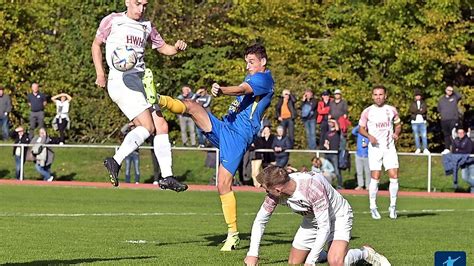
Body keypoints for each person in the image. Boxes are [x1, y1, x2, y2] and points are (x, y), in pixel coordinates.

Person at [156, 44, 274, 251]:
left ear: (263, 62)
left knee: (223, 185)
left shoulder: (264, 79)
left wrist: (222, 90)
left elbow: (241, 89)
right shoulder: (253, 76)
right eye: (246, 62)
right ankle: (156, 99)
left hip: (237, 138)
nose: (248, 66)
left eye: (252, 62)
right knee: (192, 106)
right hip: (225, 127)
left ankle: (233, 234)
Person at [91, 0, 188, 192]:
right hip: (121, 80)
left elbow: (164, 48)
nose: (141, 9)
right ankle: (115, 160)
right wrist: (100, 74)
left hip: (142, 81)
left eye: (144, 5)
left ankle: (167, 177)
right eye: (137, 4)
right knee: (147, 126)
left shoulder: (147, 26)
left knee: (161, 126)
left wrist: (176, 48)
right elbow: (96, 45)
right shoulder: (113, 20)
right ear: (127, 2)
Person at [244, 166, 391, 266]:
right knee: (294, 262)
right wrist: (253, 254)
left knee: (335, 262)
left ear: (277, 189)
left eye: (265, 188)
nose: (264, 191)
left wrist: (311, 261)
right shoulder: (275, 193)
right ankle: (328, 252)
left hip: (337, 216)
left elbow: (324, 226)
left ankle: (365, 253)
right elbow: (260, 221)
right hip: (312, 220)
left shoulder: (311, 188)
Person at [358, 85, 401, 220]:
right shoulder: (367, 111)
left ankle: (393, 206)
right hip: (375, 148)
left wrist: (396, 133)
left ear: (385, 96)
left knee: (394, 175)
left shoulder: (391, 110)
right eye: (376, 94)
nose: (378, 97)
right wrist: (369, 136)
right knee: (375, 177)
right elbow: (361, 129)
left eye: (380, 94)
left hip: (389, 148)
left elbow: (398, 124)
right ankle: (373, 207)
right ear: (372, 96)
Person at [437, 86, 461, 154]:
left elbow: (459, 96)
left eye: (451, 90)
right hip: (444, 120)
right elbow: (439, 109)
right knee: (446, 134)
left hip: (453, 119)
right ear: (445, 90)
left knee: (453, 134)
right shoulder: (441, 99)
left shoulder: (454, 97)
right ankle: (447, 148)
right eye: (448, 90)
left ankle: (456, 148)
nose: (450, 91)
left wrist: (454, 90)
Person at [322, 119, 343, 189]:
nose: (330, 123)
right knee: (325, 170)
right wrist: (326, 146)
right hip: (328, 153)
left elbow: (337, 128)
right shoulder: (327, 133)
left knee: (337, 170)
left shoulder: (337, 132)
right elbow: (326, 142)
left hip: (334, 154)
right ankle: (326, 185)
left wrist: (334, 121)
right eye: (329, 122)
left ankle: (340, 185)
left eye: (331, 122)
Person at [452, 127, 474, 193]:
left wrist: (458, 150)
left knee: (472, 177)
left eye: (461, 133)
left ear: (464, 133)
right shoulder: (455, 140)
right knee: (465, 178)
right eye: (459, 133)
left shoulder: (469, 140)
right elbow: (453, 151)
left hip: (471, 162)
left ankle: (472, 194)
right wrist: (461, 151)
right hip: (463, 163)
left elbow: (468, 151)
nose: (460, 134)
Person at [409, 90, 429, 154]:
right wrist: (418, 110)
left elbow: (424, 110)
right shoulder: (412, 103)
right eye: (416, 96)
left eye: (419, 95)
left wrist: (418, 111)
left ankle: (425, 148)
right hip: (414, 121)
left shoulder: (423, 103)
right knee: (416, 136)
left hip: (422, 121)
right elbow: (412, 110)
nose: (417, 97)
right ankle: (418, 148)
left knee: (424, 135)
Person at [352, 125, 370, 190]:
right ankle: (360, 185)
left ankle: (368, 185)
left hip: (367, 156)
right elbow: (353, 131)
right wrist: (359, 125)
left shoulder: (369, 135)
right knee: (359, 171)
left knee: (368, 172)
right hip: (358, 155)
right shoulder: (359, 134)